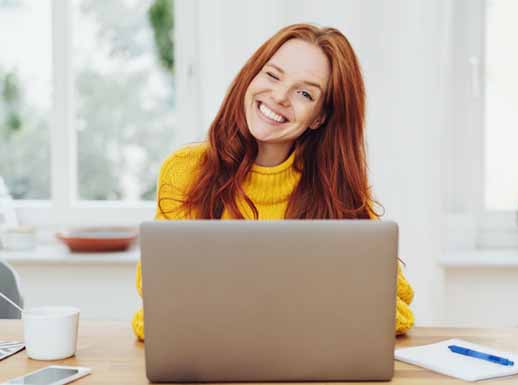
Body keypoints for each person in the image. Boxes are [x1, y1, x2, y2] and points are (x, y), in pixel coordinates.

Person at [132, 23, 414, 341]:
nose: (279, 96)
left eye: (304, 93)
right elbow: (155, 306)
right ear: (252, 76)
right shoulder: (186, 170)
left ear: (320, 117)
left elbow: (396, 312)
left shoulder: (336, 190)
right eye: (273, 75)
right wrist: (306, 305)